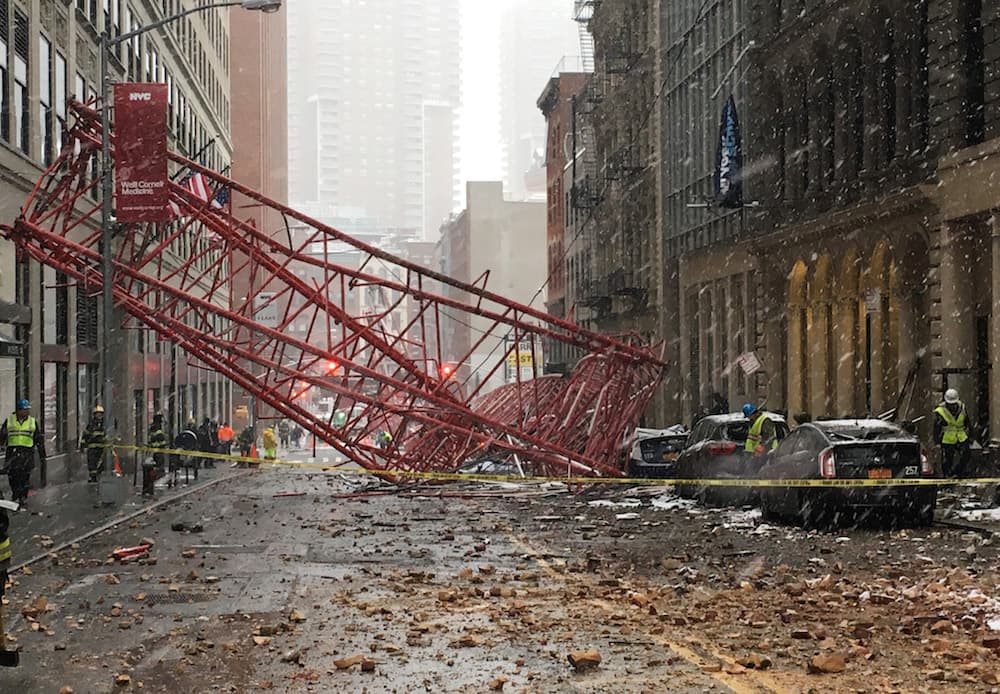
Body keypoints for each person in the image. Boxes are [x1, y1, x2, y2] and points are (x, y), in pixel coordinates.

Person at [0, 399, 46, 507]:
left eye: (27, 410)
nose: (27, 412)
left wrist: (41, 453)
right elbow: (2, 434)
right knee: (13, 475)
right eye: (25, 410)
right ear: (19, 410)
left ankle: (22, 496)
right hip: (13, 451)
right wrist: (2, 443)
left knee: (25, 475)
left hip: (27, 451)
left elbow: (38, 438)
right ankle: (16, 495)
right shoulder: (10, 420)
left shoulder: (32, 422)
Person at [934, 388, 971, 478]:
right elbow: (936, 427)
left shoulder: (962, 408)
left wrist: (970, 435)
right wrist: (937, 441)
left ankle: (957, 473)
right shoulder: (940, 411)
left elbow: (967, 422)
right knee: (948, 459)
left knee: (966, 455)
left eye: (953, 404)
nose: (952, 406)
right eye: (950, 404)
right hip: (947, 438)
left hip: (961, 436)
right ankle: (947, 476)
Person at [79, 404, 108, 483]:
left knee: (100, 464)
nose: (99, 416)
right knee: (92, 463)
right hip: (92, 448)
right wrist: (82, 445)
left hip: (101, 449)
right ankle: (93, 478)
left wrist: (106, 441)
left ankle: (96, 476)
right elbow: (85, 435)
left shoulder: (103, 425)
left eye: (101, 414)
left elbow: (105, 435)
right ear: (95, 415)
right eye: (98, 414)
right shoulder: (91, 425)